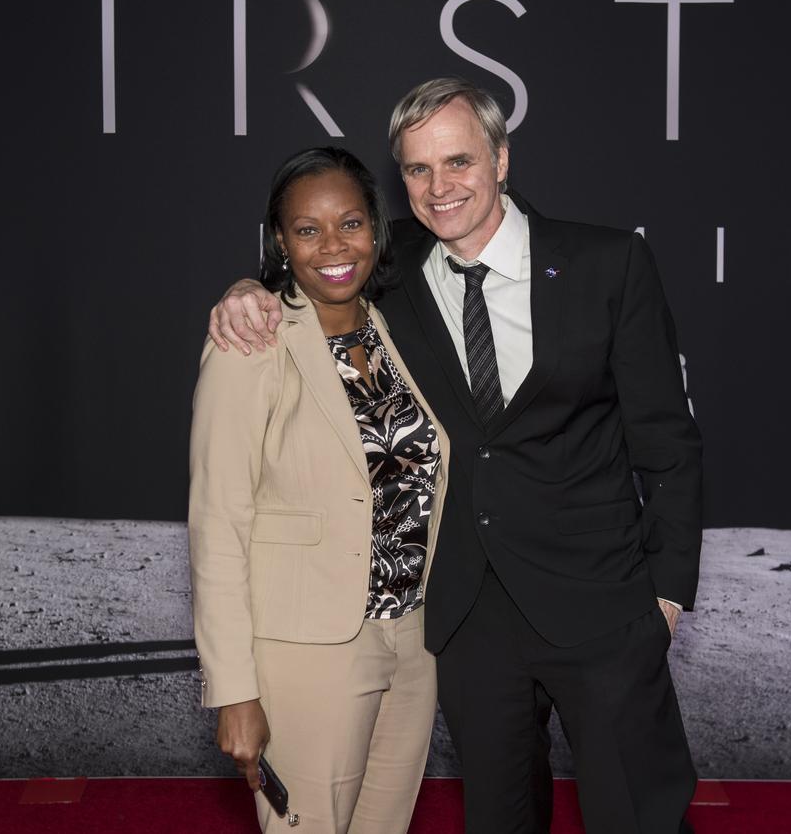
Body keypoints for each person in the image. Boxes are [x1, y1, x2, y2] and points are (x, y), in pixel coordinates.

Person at [208, 79, 702, 833]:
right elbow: (314, 256)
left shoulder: (608, 263)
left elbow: (668, 444)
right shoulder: (390, 265)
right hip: (471, 617)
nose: (439, 187)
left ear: (500, 160)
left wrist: (665, 597)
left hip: (601, 603)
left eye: (459, 161)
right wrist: (246, 288)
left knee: (638, 816)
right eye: (417, 169)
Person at [188, 146, 450, 833]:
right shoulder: (251, 343)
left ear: (376, 230)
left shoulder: (400, 327)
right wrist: (234, 691)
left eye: (350, 223)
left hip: (414, 641)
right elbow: (217, 527)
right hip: (306, 653)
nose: (333, 246)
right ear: (281, 241)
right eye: (308, 230)